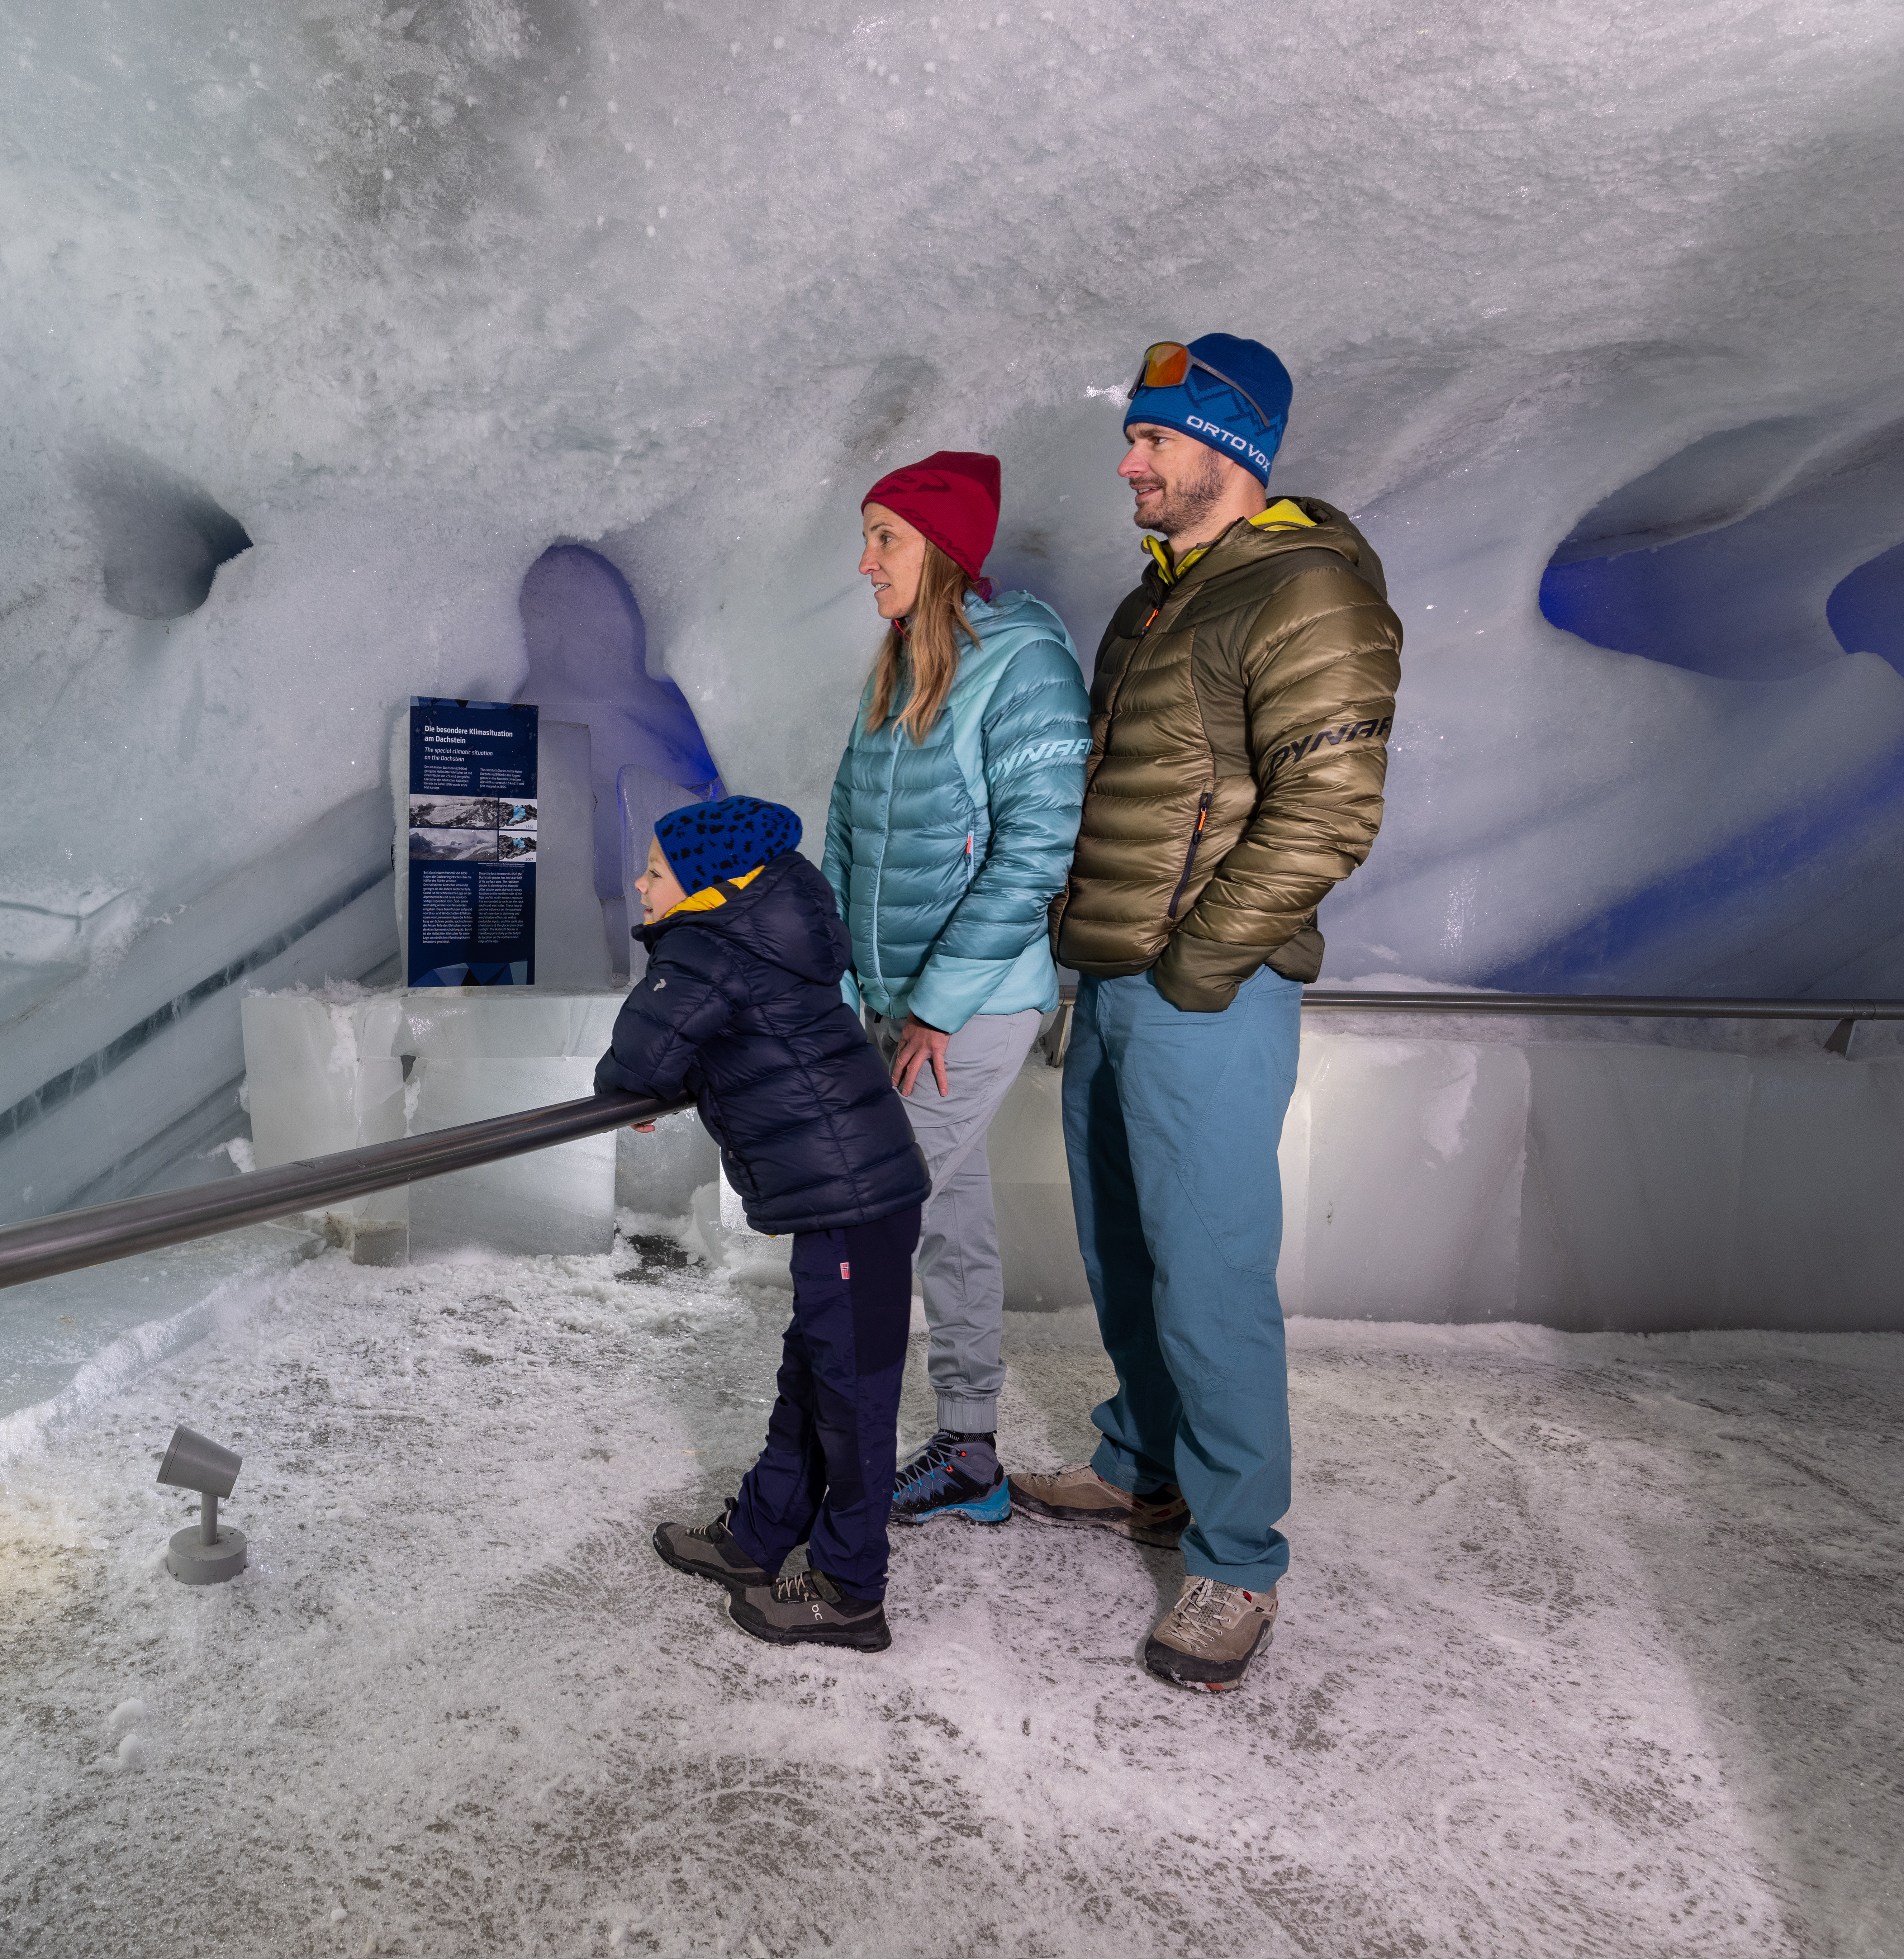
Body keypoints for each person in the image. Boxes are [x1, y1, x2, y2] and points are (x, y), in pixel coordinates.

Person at [1011, 334, 1402, 1693]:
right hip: (1115, 978)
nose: (1128, 463)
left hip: (1203, 994)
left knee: (1212, 1272)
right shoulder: (1162, 600)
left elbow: (1330, 809)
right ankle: (1145, 1471)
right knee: (1126, 1249)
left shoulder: (1307, 596)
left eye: (1155, 442)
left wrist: (1197, 961)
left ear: (1228, 451)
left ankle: (1237, 1563)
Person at [822, 451, 1089, 1528]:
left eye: (885, 537)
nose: (865, 560)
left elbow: (1038, 848)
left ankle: (828, 1468)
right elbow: (845, 829)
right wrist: (842, 980)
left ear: (941, 550)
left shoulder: (1024, 664)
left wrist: (935, 1003)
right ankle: (970, 1455)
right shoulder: (895, 665)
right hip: (897, 1002)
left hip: (972, 1004)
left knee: (875, 1216)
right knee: (949, 1214)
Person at [599, 796, 931, 1652]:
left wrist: (628, 1087)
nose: (638, 884)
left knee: (850, 1399)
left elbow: (639, 1056)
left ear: (707, 885)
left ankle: (850, 1591)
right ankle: (758, 1534)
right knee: (817, 1377)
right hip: (853, 1195)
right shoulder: (757, 933)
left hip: (853, 1198)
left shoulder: (707, 947)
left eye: (656, 872)